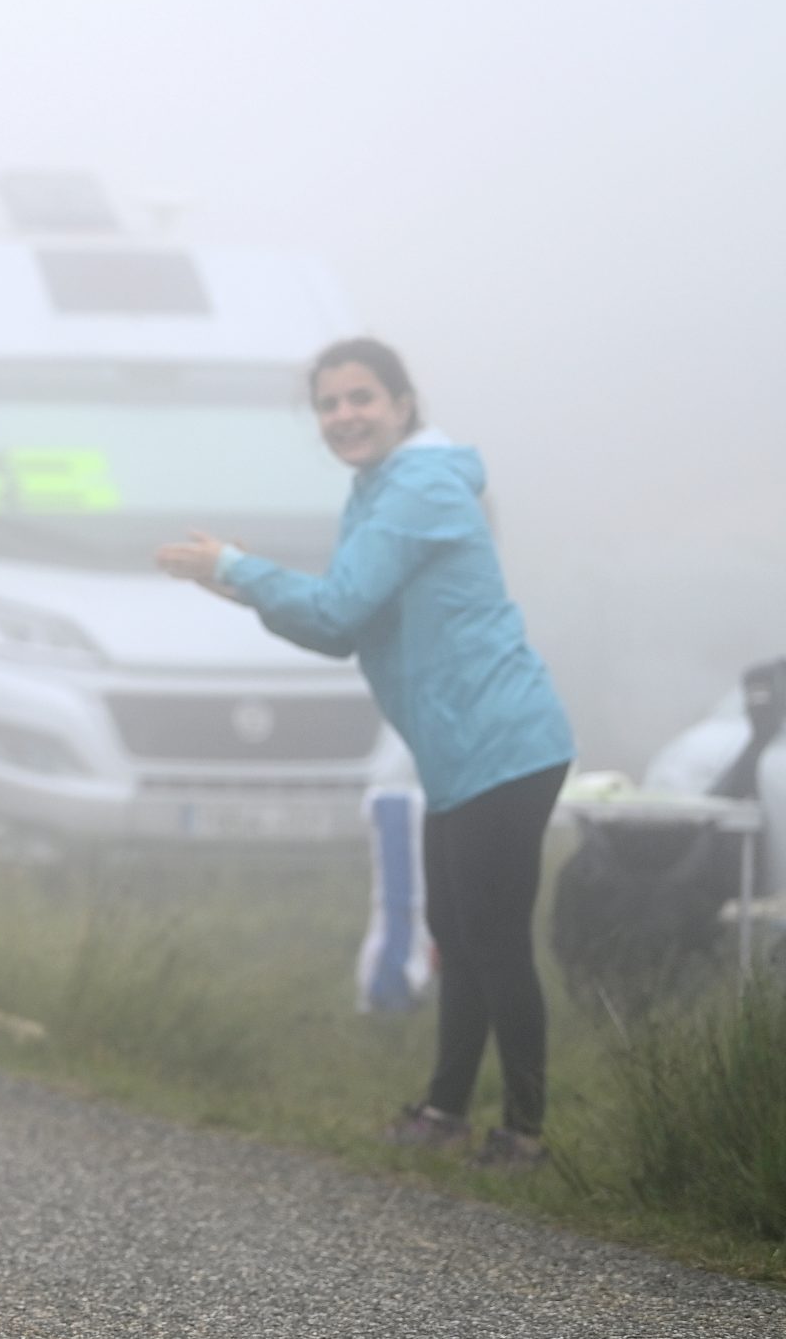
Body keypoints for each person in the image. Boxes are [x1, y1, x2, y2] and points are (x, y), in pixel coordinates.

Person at [156, 336, 574, 1167]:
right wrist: (233, 583)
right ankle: (445, 1112)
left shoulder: (420, 486)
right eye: (329, 403)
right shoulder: (381, 488)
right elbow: (335, 628)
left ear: (402, 405)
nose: (344, 415)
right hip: (459, 750)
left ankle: (525, 1132)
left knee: (494, 938)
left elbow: (338, 607)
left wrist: (236, 563)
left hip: (504, 741)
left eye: (361, 398)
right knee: (456, 932)